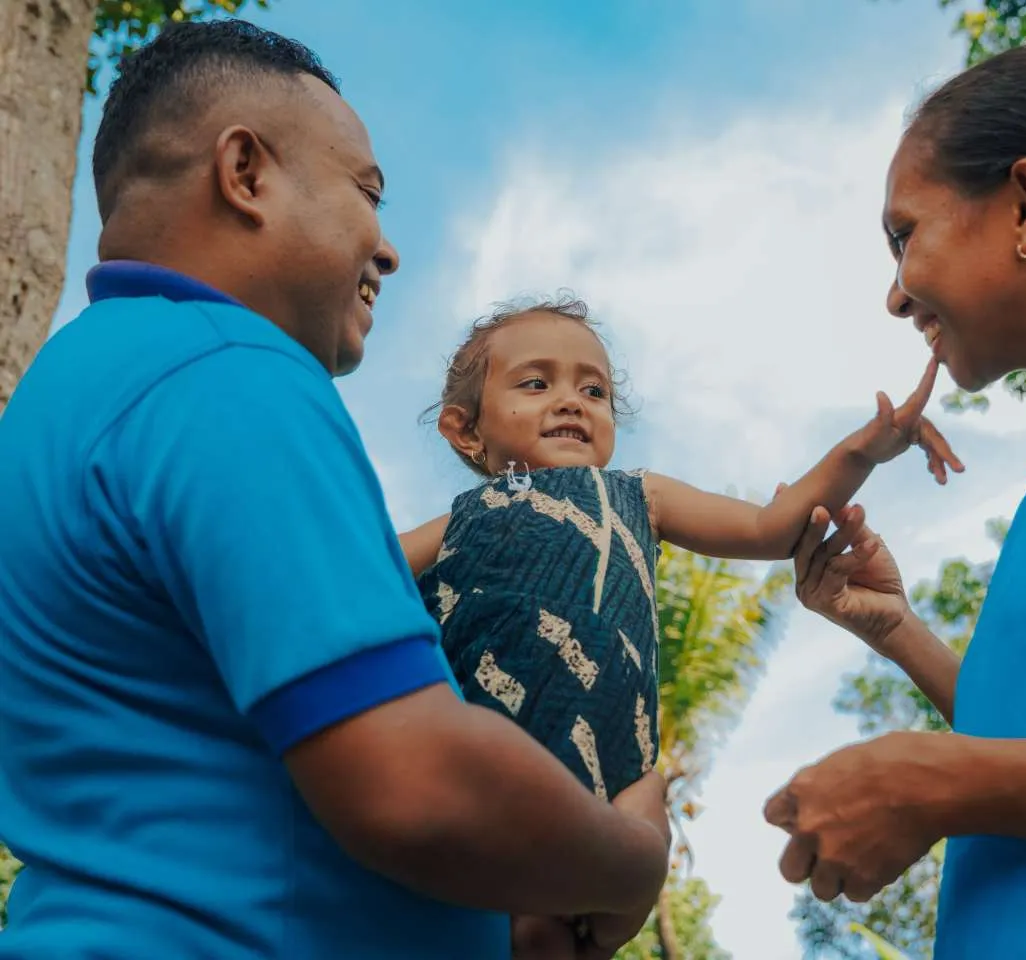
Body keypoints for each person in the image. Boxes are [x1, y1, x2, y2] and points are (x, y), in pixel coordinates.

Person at [0, 21, 675, 960]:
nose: (387, 249)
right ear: (246, 173)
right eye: (367, 193)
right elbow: (415, 789)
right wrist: (632, 860)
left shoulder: (64, 397)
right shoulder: (227, 370)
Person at [762, 41, 1026, 960]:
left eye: (903, 234)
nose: (893, 294)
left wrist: (947, 785)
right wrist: (898, 633)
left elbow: (999, 777)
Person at [399, 297, 962, 950]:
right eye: (536, 382)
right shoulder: (458, 520)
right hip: (486, 761)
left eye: (594, 389)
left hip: (613, 782)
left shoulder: (641, 494)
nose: (572, 400)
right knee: (499, 918)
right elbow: (363, 578)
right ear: (466, 430)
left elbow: (767, 528)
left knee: (575, 897)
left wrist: (865, 448)